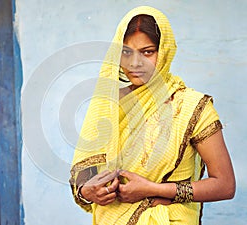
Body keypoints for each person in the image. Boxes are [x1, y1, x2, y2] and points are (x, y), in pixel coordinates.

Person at [69, 6, 235, 225]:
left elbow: (224, 184)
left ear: (164, 51)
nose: (135, 63)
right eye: (126, 52)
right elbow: (84, 170)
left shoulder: (192, 106)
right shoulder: (106, 104)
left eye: (147, 52)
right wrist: (87, 192)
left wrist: (154, 190)